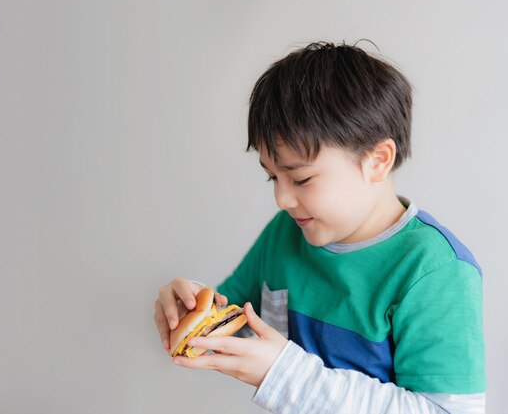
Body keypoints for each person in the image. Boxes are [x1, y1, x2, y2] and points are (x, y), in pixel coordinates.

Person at [154, 40, 486, 413]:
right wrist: (191, 306)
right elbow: (239, 322)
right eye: (272, 178)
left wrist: (284, 375)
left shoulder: (434, 272)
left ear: (377, 161)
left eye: (301, 179)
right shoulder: (285, 232)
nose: (282, 199)